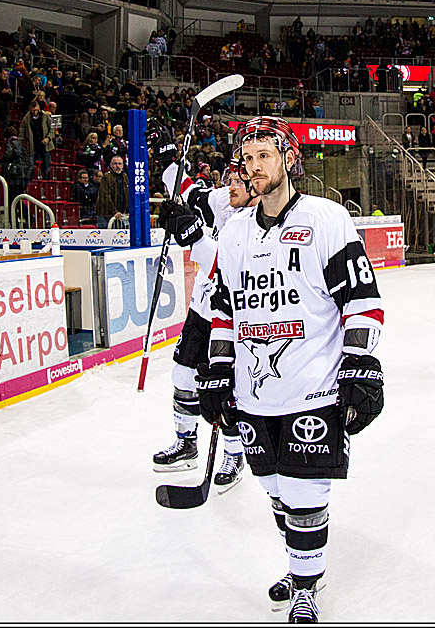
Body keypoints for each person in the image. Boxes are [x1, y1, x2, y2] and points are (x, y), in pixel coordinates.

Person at [199, 116, 385, 622]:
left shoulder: (326, 219)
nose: (254, 166)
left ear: (288, 160)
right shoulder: (234, 232)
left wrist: (361, 363)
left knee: (305, 495)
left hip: (314, 389)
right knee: (277, 492)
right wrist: (217, 372)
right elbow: (223, 310)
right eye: (248, 158)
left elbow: (361, 300)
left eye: (265, 155)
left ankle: (304, 586)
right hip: (254, 394)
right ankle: (304, 563)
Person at [150, 118, 251, 491]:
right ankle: (186, 442)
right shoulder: (226, 199)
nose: (230, 186)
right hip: (202, 308)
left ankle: (234, 454)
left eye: (238, 182)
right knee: (182, 375)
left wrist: (194, 235)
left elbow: (228, 266)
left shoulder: (258, 221)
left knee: (225, 389)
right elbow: (187, 190)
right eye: (230, 179)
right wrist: (168, 161)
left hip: (232, 316)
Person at [20, 99, 55, 178]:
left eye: (36, 110)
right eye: (33, 110)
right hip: (32, 145)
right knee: (31, 166)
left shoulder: (45, 116)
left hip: (45, 145)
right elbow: (22, 133)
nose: (35, 112)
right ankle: (31, 181)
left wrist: (48, 138)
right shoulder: (26, 119)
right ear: (30, 109)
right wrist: (20, 144)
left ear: (38, 107)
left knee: (46, 167)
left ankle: (46, 182)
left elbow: (52, 128)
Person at [95, 154, 128, 228]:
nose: (117, 166)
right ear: (111, 165)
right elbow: (105, 196)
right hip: (106, 214)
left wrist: (127, 211)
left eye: (119, 164)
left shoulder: (125, 176)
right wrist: (114, 212)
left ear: (123, 165)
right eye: (115, 164)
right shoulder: (106, 177)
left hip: (121, 214)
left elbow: (127, 194)